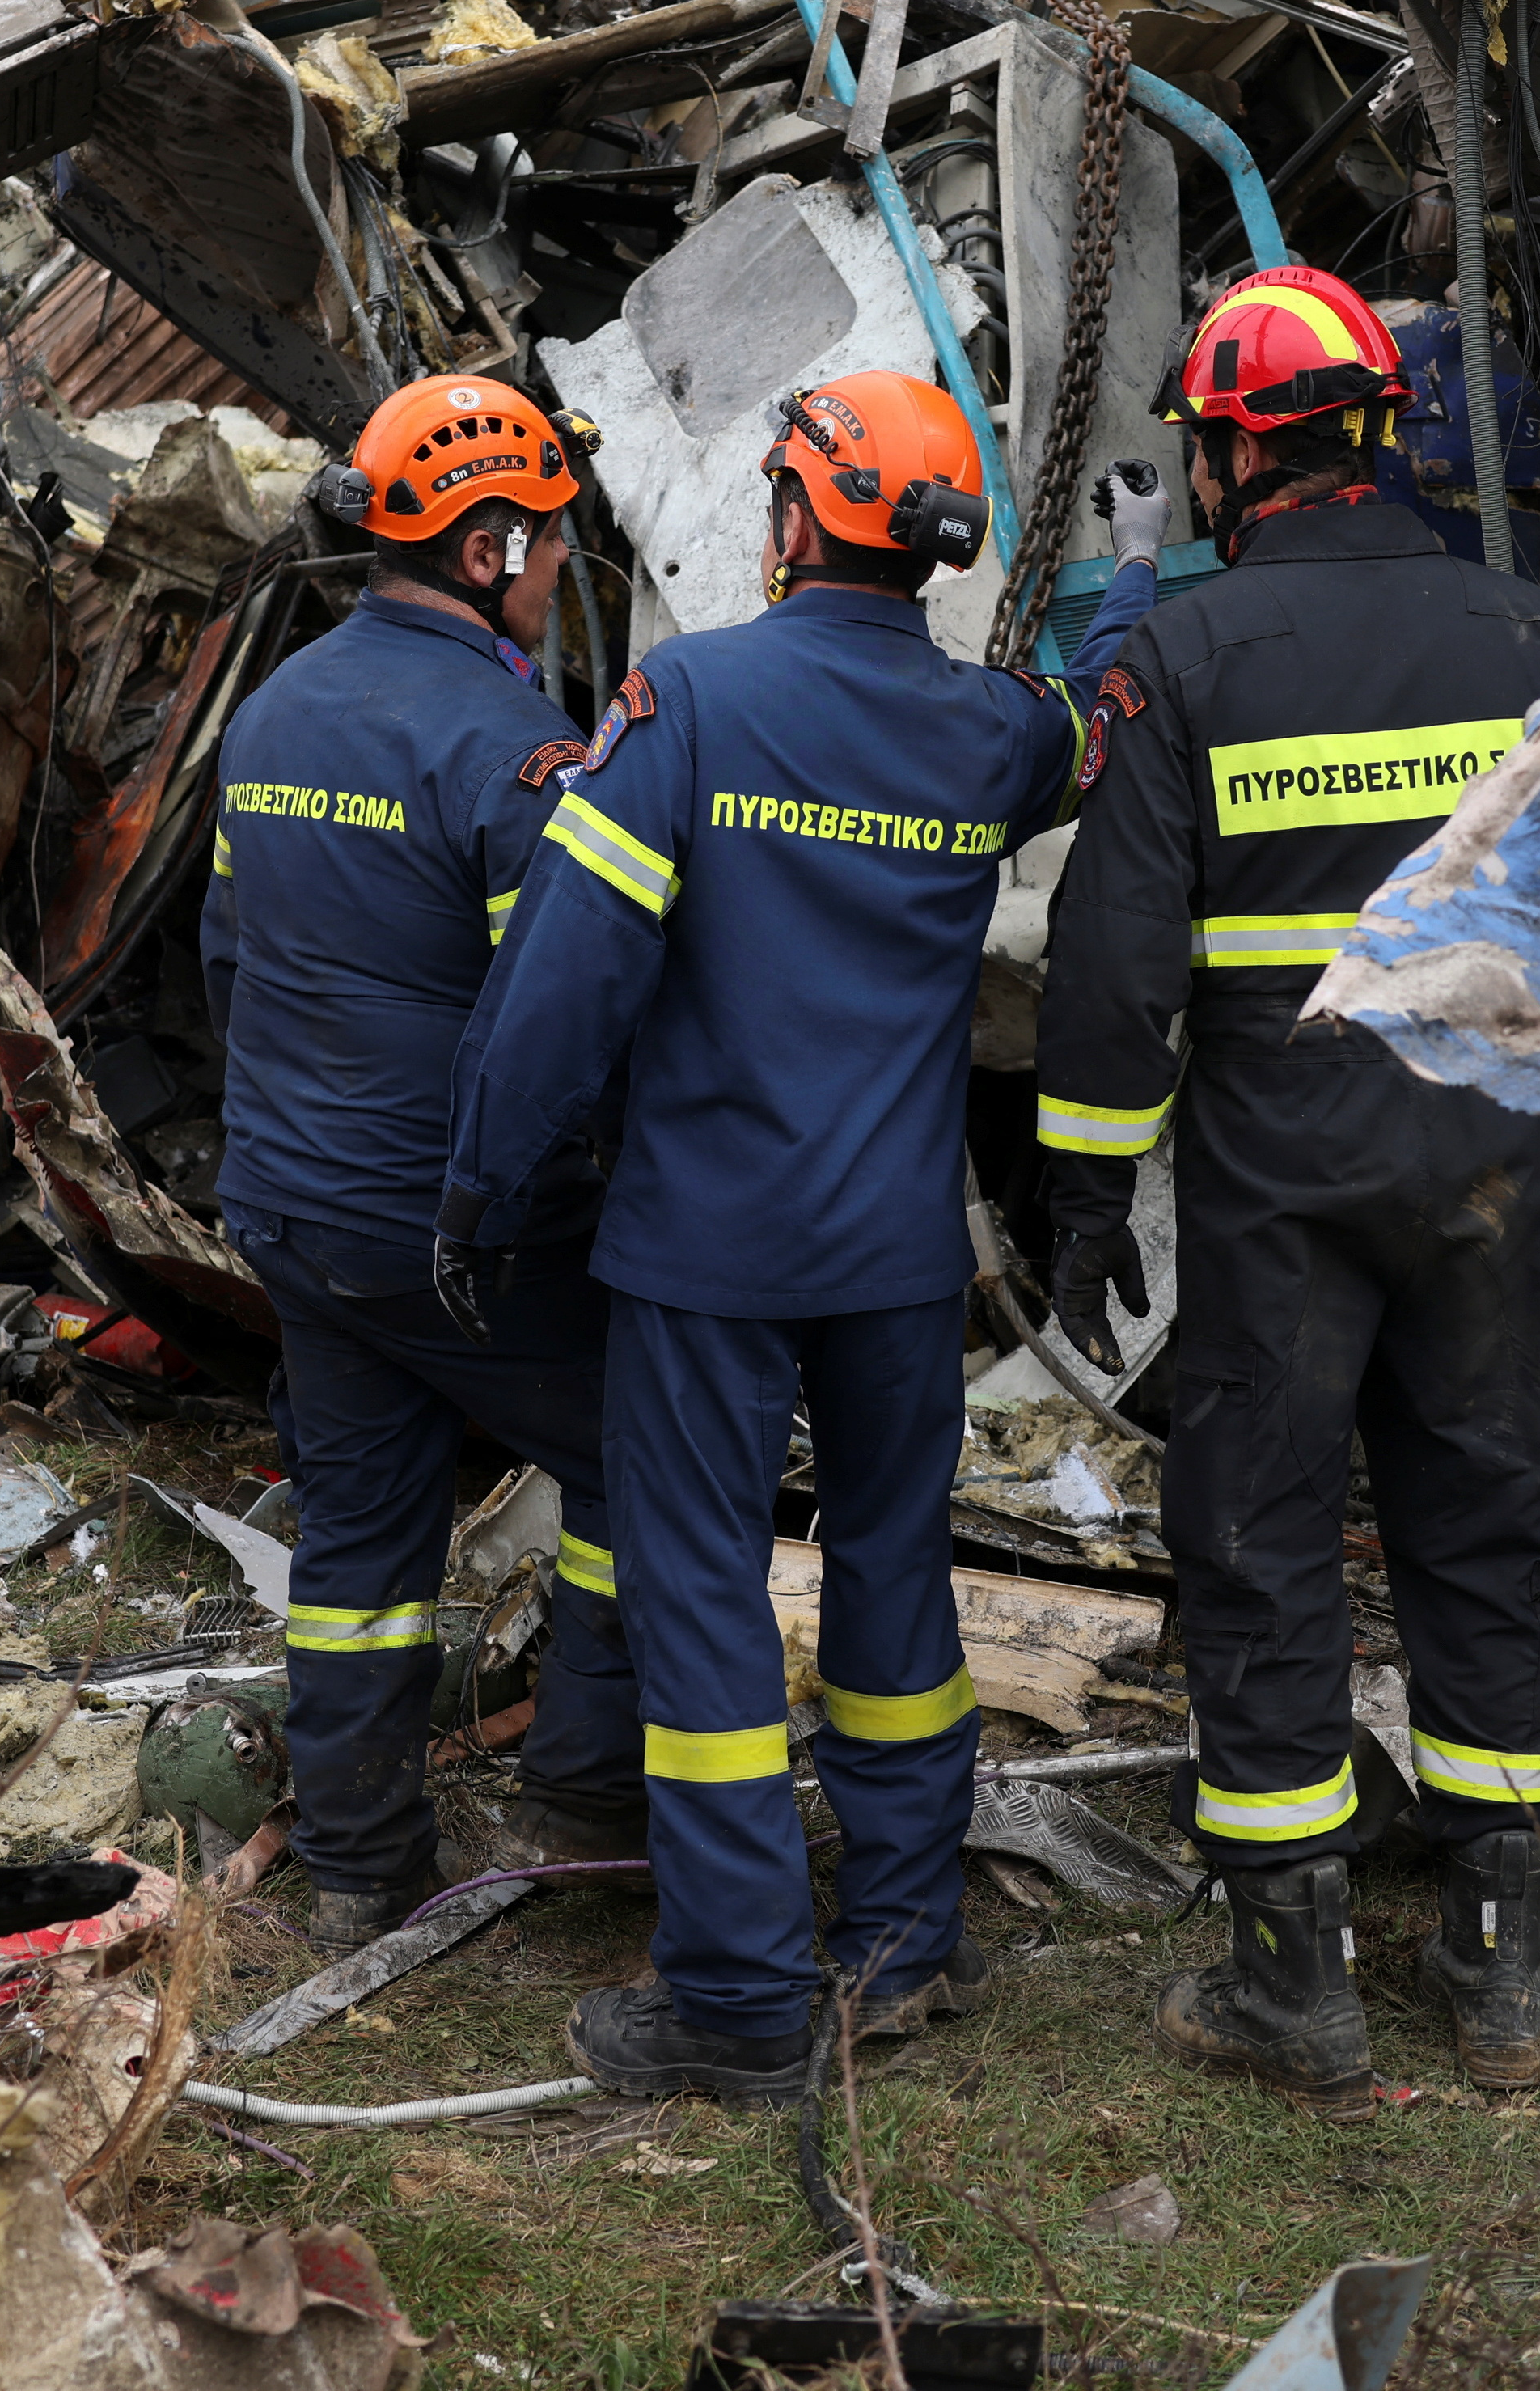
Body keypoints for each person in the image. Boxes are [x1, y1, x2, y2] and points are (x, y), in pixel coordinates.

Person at [441, 370, 1165, 2107]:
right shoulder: (982, 732)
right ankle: (902, 1938)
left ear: (788, 518)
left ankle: (744, 1995)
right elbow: (1098, 715)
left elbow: (564, 980)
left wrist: (479, 1179)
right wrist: (1143, 569)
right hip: (899, 1261)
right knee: (893, 1587)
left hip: (706, 1252)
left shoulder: (687, 699)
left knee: (699, 1603)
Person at [1032, 266, 1540, 2110]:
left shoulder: (1179, 658)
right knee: (1489, 1519)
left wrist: (1086, 1188)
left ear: (1223, 456)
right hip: (1502, 1158)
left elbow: (1114, 967)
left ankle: (1294, 1977)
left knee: (1262, 1535)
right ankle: (1498, 1961)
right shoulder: (1533, 633)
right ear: (1367, 431)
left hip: (1285, 1183)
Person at [200, 377, 644, 1945]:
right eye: (541, 547)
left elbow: (226, 965)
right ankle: (584, 1804)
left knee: (361, 1544)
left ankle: (355, 1857)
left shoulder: (273, 711)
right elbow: (557, 1023)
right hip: (447, 1223)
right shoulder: (509, 747)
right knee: (637, 1462)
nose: (550, 571)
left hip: (295, 1209)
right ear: (483, 548)